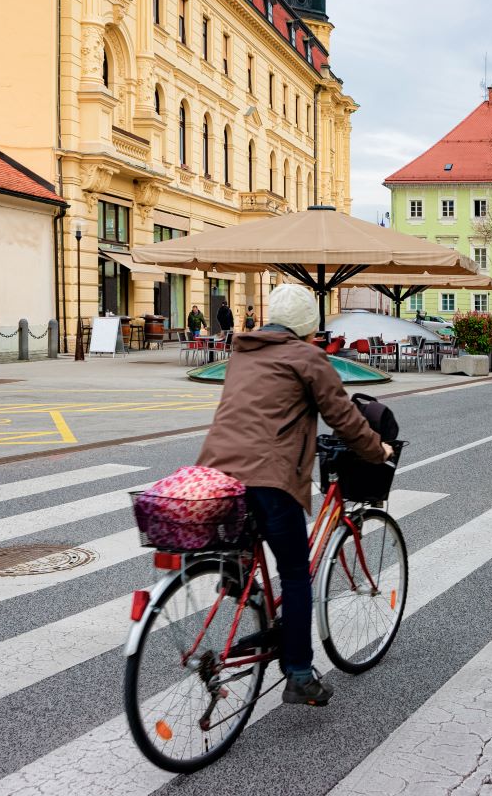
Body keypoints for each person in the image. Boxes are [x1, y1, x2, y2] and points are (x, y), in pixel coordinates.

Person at [195, 283, 392, 707]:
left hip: (217, 476)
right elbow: (343, 418)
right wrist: (378, 451)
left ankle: (244, 582)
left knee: (253, 548)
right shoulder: (307, 357)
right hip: (270, 477)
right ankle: (300, 676)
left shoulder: (242, 353)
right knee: (297, 574)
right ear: (309, 327)